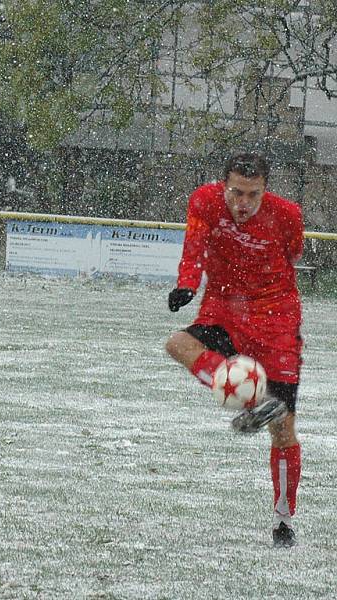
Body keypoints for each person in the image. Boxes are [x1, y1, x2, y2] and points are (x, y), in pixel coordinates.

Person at [164, 152, 303, 548]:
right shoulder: (204, 202)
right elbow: (194, 245)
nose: (243, 204)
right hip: (224, 308)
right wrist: (188, 283)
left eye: (252, 195)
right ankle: (251, 400)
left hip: (276, 320)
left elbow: (294, 253)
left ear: (265, 190)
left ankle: (283, 521)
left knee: (283, 429)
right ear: (223, 185)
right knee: (177, 343)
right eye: (236, 193)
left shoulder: (287, 215)